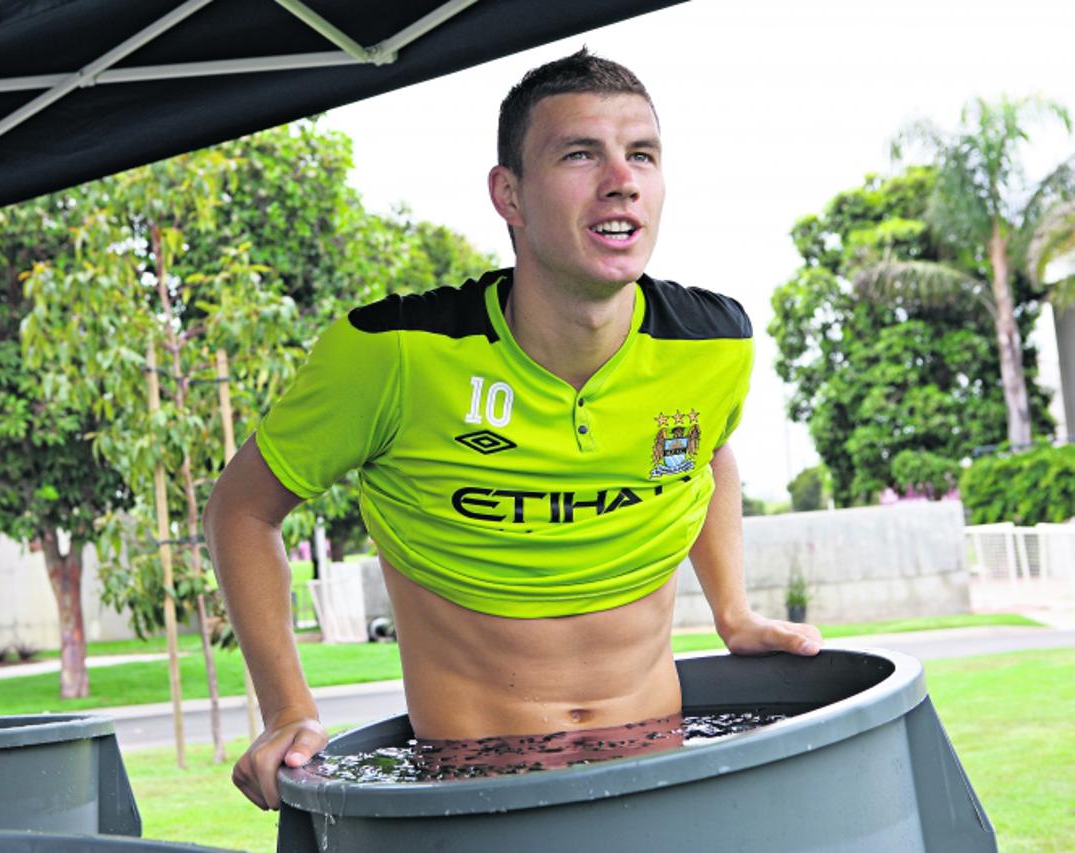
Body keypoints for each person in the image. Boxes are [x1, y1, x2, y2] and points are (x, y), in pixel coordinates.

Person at [204, 49, 822, 811]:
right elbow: (242, 507)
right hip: (472, 789)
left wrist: (733, 612)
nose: (620, 178)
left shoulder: (713, 342)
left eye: (641, 154)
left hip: (659, 770)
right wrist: (288, 709)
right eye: (578, 153)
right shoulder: (393, 354)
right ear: (510, 195)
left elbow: (704, 448)